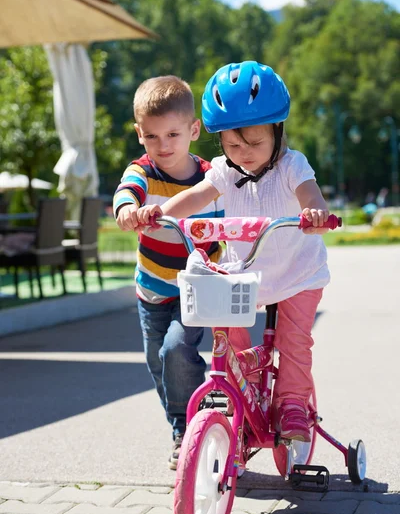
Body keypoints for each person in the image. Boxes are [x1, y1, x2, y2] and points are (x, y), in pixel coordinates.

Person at [136, 61, 332, 443]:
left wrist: (315, 211)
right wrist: (160, 213)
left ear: (277, 132)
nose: (243, 152)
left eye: (255, 143)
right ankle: (242, 396)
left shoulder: (292, 165)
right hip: (245, 272)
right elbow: (195, 195)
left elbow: (310, 193)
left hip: (298, 275)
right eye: (231, 144)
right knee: (225, 333)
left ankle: (292, 402)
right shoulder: (225, 171)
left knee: (293, 341)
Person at [113, 75, 224, 468]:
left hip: (196, 288)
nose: (163, 146)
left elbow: (237, 216)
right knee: (156, 361)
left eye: (173, 134)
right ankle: (185, 416)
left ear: (194, 130)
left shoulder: (213, 177)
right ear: (140, 135)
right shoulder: (143, 171)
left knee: (176, 349)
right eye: (152, 137)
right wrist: (128, 211)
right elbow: (126, 192)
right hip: (153, 288)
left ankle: (186, 425)